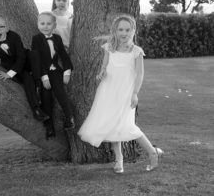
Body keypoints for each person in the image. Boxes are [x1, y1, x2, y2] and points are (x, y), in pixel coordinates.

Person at [78, 14, 163, 173]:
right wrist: (101, 74)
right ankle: (119, 161)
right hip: (108, 91)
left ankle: (152, 152)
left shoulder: (136, 52)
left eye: (127, 30)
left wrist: (135, 93)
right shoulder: (109, 48)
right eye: (120, 29)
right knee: (112, 127)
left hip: (126, 93)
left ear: (133, 31)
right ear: (115, 31)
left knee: (128, 126)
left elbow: (140, 74)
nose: (124, 33)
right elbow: (104, 67)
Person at [0, 13, 49, 122]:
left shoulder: (13, 36)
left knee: (34, 54)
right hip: (11, 66)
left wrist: (10, 74)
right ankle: (36, 110)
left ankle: (38, 86)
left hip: (24, 61)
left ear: (6, 27)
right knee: (27, 77)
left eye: (1, 26)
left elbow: (21, 57)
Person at [31, 11, 75, 139]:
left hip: (55, 70)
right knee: (46, 98)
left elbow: (63, 55)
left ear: (54, 25)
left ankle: (70, 117)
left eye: (49, 24)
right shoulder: (36, 39)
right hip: (42, 71)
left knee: (60, 92)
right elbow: (37, 59)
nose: (45, 26)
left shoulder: (57, 38)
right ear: (38, 24)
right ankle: (49, 126)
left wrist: (67, 71)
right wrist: (44, 77)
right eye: (42, 23)